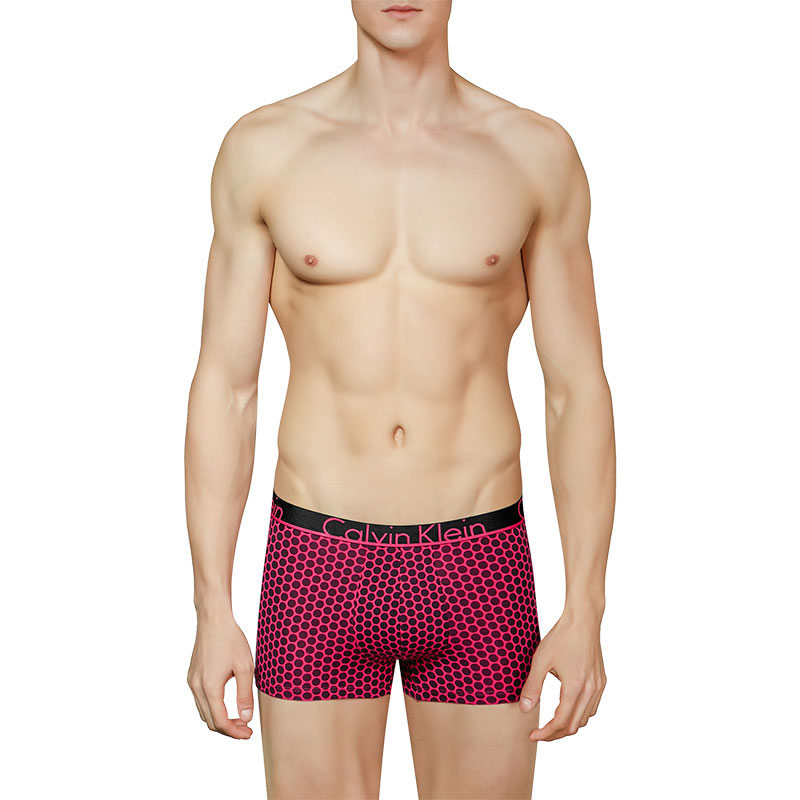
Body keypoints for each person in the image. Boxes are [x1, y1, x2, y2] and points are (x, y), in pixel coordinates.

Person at [185, 1, 615, 797]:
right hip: (318, 559)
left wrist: (586, 606)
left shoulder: (532, 154)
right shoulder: (265, 149)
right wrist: (212, 607)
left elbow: (576, 389)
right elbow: (226, 386)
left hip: (478, 562)